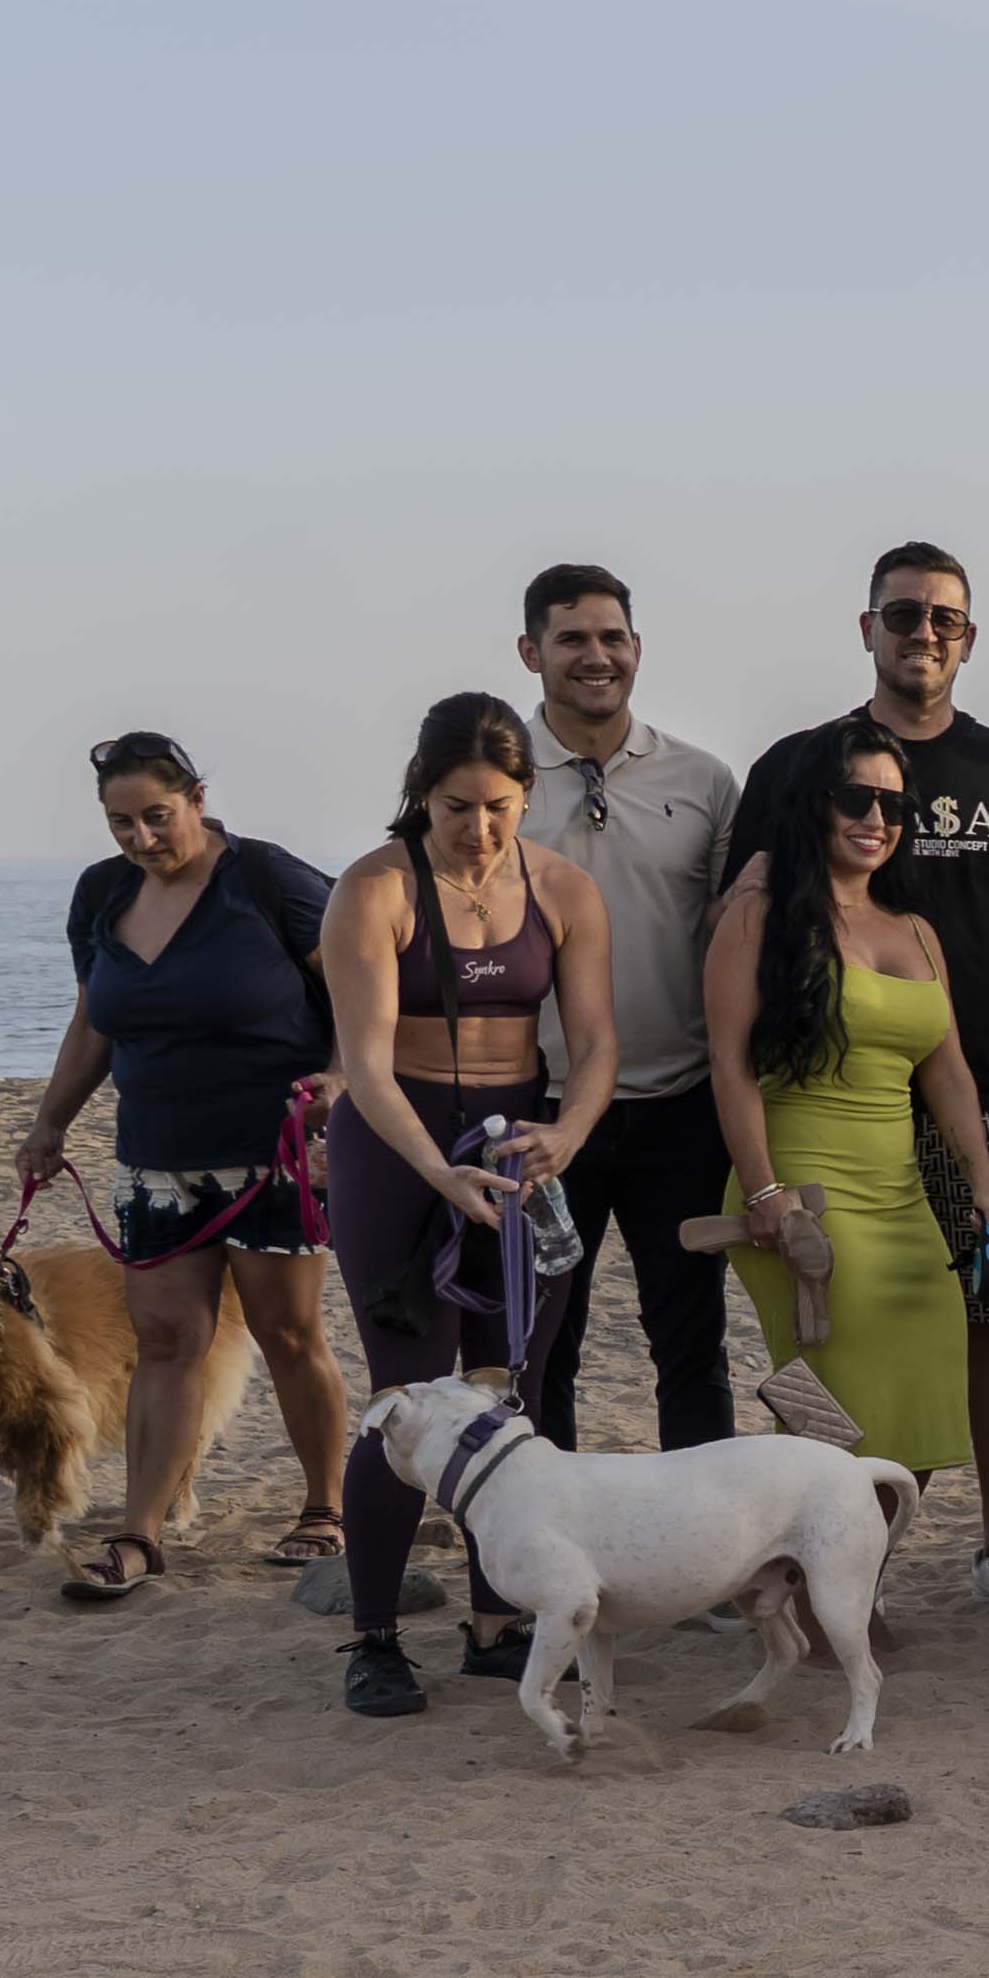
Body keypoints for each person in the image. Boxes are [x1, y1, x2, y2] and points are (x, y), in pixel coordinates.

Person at [745, 543, 989, 1619]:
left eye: (943, 617)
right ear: (867, 628)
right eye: (903, 614)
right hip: (829, 1112)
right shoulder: (798, 768)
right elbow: (743, 931)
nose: (922, 632)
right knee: (828, 1347)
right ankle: (822, 1547)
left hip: (985, 1092)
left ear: (968, 636)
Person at [314, 694, 618, 1712]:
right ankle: (374, 1635)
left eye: (497, 806)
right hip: (400, 1150)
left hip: (519, 1153)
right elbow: (361, 1063)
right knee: (405, 1399)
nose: (479, 829)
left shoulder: (565, 887)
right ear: (421, 792)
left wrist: (567, 1131)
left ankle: (495, 1623)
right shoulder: (375, 890)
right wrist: (437, 1172)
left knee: (507, 1393)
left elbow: (597, 1041)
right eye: (455, 806)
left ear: (527, 793)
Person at [25, 734, 348, 1605]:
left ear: (198, 797)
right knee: (168, 1341)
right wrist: (51, 1122)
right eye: (120, 821)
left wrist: (343, 1077)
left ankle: (326, 1506)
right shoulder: (101, 892)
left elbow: (358, 993)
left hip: (274, 1152)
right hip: (154, 1158)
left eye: (156, 816)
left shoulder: (269, 880)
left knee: (288, 1335)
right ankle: (139, 1533)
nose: (140, 837)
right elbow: (95, 1021)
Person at [705, 723, 989, 1531]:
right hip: (799, 1191)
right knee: (830, 1398)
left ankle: (853, 1568)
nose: (876, 816)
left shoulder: (913, 928)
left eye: (893, 802)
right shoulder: (759, 915)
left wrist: (982, 1182)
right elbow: (729, 1064)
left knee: (926, 1380)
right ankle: (816, 1574)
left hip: (901, 1198)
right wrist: (765, 1189)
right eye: (855, 797)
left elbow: (946, 1069)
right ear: (814, 806)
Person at [510, 564, 741, 1454]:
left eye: (612, 637)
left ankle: (707, 1560)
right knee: (540, 1350)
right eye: (571, 638)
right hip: (540, 1112)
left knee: (691, 1346)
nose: (594, 656)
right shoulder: (498, 782)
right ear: (531, 651)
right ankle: (549, 1554)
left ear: (637, 649)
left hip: (679, 1107)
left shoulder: (706, 779)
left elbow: (737, 940)